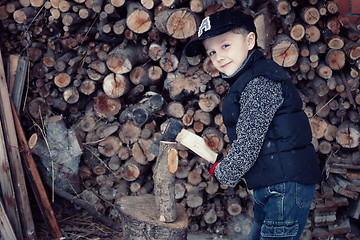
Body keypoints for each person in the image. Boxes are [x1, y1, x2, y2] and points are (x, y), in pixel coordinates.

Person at [184, 8, 322, 240]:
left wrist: (224, 173)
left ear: (250, 40)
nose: (218, 57)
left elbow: (248, 145)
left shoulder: (260, 82)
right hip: (273, 185)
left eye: (225, 45)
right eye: (212, 52)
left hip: (285, 187)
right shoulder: (247, 80)